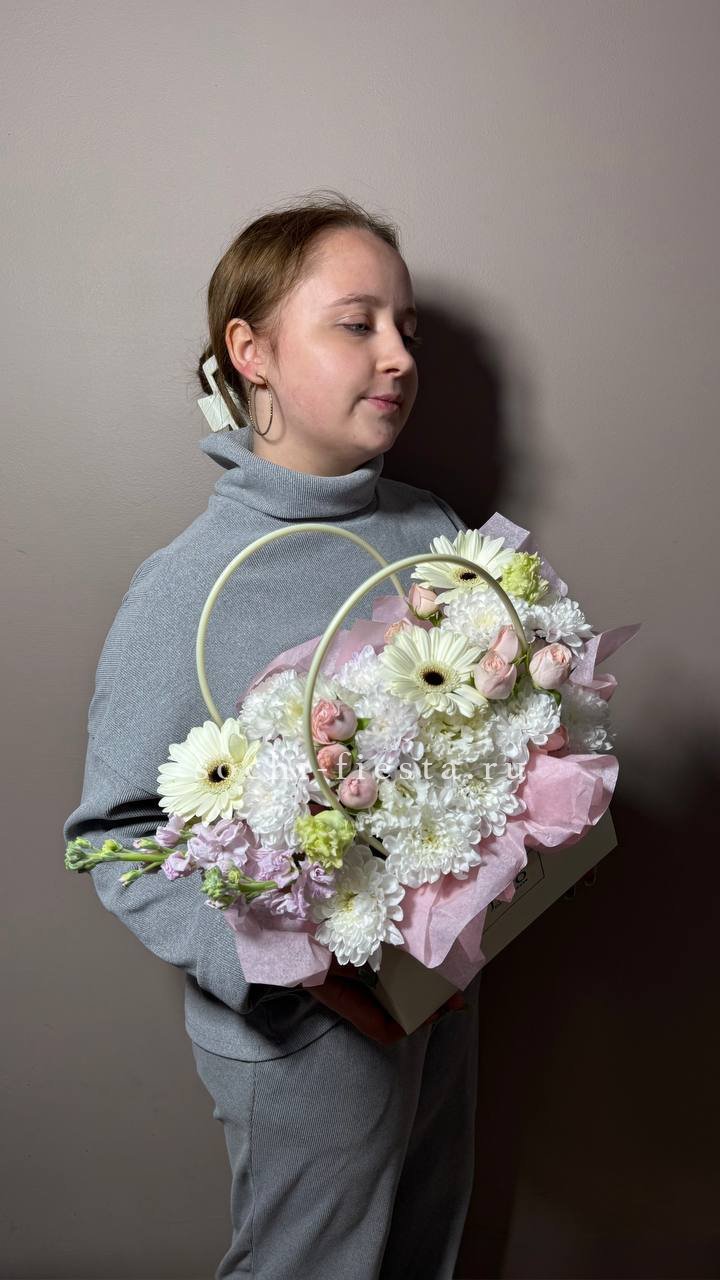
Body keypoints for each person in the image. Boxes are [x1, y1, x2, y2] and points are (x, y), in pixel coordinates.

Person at [63, 190, 483, 1279]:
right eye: (357, 323)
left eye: (406, 328)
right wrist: (277, 963)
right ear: (250, 352)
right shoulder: (184, 587)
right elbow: (110, 838)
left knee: (425, 1251)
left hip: (440, 1000)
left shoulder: (435, 530)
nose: (398, 356)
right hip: (304, 1040)